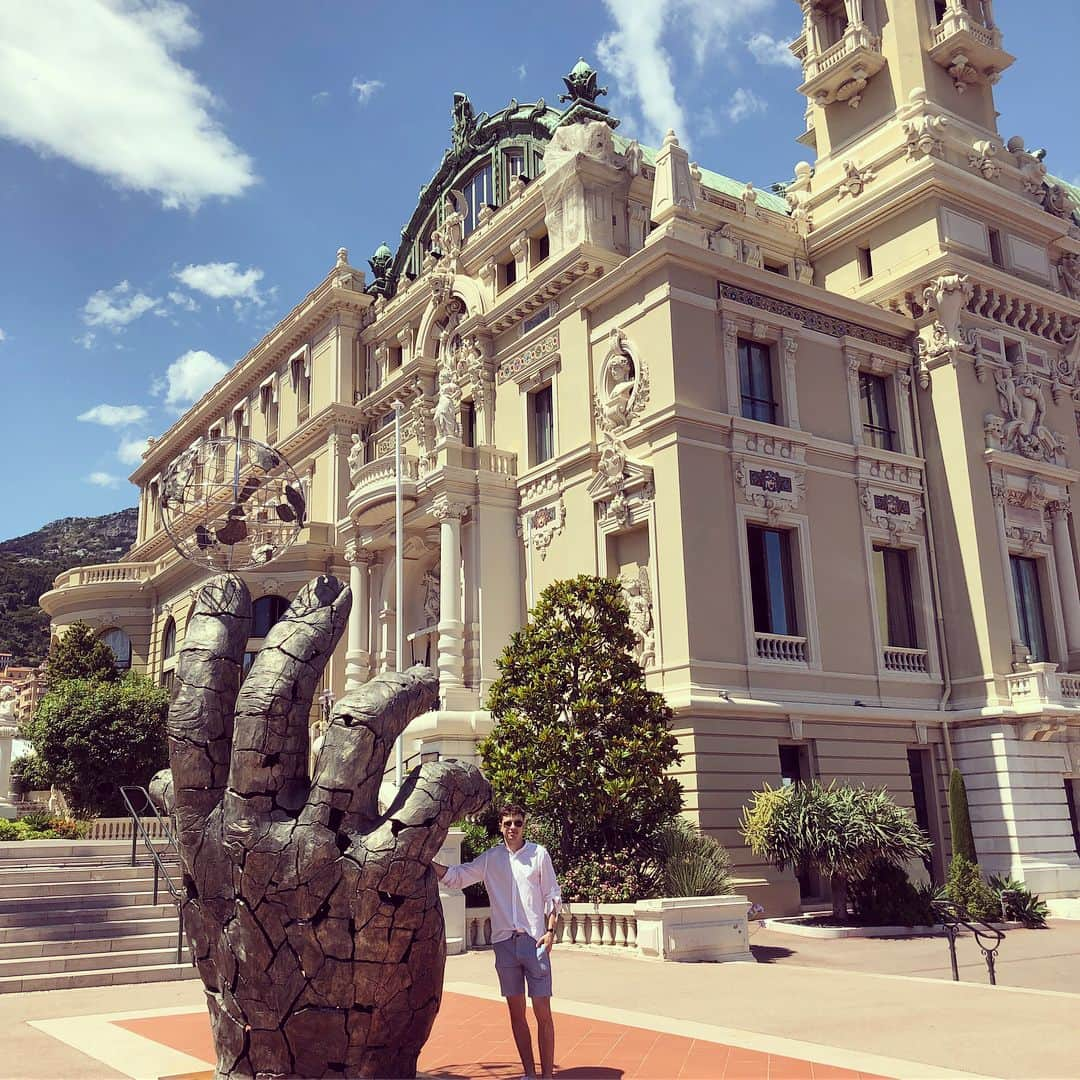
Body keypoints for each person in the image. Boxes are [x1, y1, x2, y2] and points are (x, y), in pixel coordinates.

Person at [433, 803, 561, 1079]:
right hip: (504, 945)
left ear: (524, 825)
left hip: (535, 943)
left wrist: (550, 932)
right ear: (500, 827)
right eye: (507, 823)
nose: (512, 828)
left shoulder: (539, 855)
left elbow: (552, 895)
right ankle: (529, 1073)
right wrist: (426, 863)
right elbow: (458, 876)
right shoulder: (491, 859)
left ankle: (548, 1076)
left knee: (543, 1012)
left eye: (517, 822)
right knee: (517, 1015)